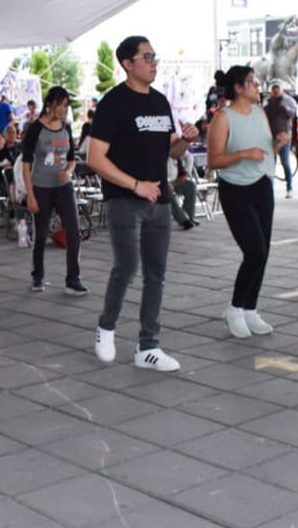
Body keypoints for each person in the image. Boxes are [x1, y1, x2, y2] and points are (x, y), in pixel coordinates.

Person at [87, 36, 199, 372]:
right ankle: (106, 327)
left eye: (155, 57)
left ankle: (148, 347)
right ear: (127, 63)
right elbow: (95, 158)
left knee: (157, 275)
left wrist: (185, 140)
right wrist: (135, 185)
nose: (153, 62)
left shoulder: (161, 102)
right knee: (127, 267)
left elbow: (170, 151)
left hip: (159, 201)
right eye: (146, 56)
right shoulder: (113, 103)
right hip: (125, 199)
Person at [206, 66, 282, 338]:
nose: (256, 85)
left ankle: (251, 308)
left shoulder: (260, 113)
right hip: (236, 190)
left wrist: (277, 146)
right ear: (238, 88)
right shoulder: (223, 118)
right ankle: (235, 308)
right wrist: (243, 154)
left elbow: (262, 153)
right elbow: (213, 160)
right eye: (251, 82)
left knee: (264, 251)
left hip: (263, 185)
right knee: (255, 251)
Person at [21, 87, 86, 295]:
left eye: (66, 105)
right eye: (60, 104)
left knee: (73, 231)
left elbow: (72, 160)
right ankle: (37, 276)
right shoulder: (35, 129)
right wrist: (30, 195)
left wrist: (67, 171)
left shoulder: (66, 128)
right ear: (49, 104)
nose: (63, 109)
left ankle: (73, 278)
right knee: (40, 234)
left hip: (63, 187)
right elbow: (26, 164)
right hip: (41, 188)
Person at [264, 82, 298, 198]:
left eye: (277, 88)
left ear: (282, 89)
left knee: (285, 162)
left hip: (284, 136)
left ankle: (289, 188)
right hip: (270, 137)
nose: (275, 91)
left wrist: (283, 108)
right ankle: (269, 188)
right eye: (273, 89)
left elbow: (292, 114)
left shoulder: (288, 101)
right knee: (270, 164)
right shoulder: (268, 102)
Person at [166, 151, 198, 229]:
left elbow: (189, 156)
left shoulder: (174, 147)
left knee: (191, 186)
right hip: (160, 181)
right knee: (168, 193)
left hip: (175, 180)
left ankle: (189, 217)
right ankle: (183, 220)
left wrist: (186, 173)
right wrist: (164, 182)